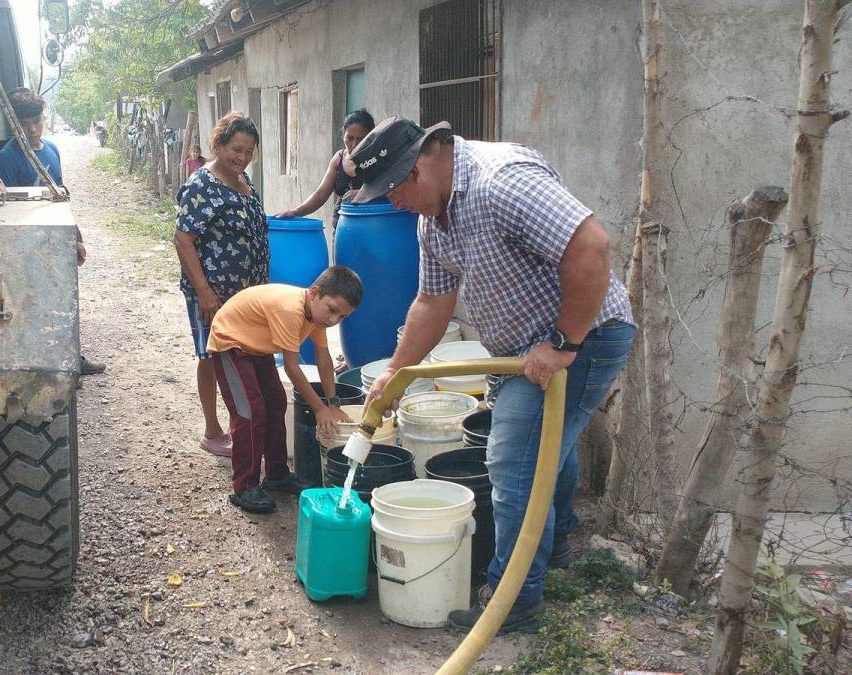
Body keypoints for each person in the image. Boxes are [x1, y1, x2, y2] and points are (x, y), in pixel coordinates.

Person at [354, 117, 635, 633]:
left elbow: (591, 245)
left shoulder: (501, 182)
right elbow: (432, 302)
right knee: (553, 443)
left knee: (512, 464)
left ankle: (514, 603)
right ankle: (558, 548)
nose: (391, 204)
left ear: (416, 169)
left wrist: (563, 343)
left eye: (391, 191)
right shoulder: (432, 219)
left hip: (585, 337)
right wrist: (396, 373)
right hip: (528, 349)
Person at [208, 267, 361, 512]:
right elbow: (291, 367)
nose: (333, 320)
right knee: (251, 412)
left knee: (277, 403)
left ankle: (277, 474)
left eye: (342, 317)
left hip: (257, 349)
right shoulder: (290, 309)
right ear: (315, 293)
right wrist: (319, 408)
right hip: (230, 342)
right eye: (332, 310)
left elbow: (324, 357)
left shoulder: (316, 316)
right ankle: (244, 486)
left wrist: (333, 403)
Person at [173, 111, 268, 458]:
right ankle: (212, 429)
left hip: (246, 294)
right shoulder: (203, 184)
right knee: (211, 357)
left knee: (238, 356)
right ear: (219, 144)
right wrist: (204, 292)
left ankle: (238, 424)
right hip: (213, 292)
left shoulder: (245, 182)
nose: (241, 157)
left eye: (248, 151)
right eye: (236, 149)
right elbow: (183, 239)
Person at [0, 88, 106, 377]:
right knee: (30, 304)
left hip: (55, 241)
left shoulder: (52, 150)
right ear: (13, 123)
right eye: (24, 123)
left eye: (36, 121)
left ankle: (71, 360)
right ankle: (44, 366)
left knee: (63, 299)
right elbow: (4, 213)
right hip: (24, 246)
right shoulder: (6, 159)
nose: (32, 129)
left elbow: (61, 197)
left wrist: (76, 238)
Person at [275, 108, 375, 225]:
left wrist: (365, 193)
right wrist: (296, 212)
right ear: (343, 135)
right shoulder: (338, 159)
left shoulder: (378, 158)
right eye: (350, 138)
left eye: (360, 139)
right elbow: (321, 195)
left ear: (370, 138)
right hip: (343, 227)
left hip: (373, 226)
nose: (354, 144)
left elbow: (392, 188)